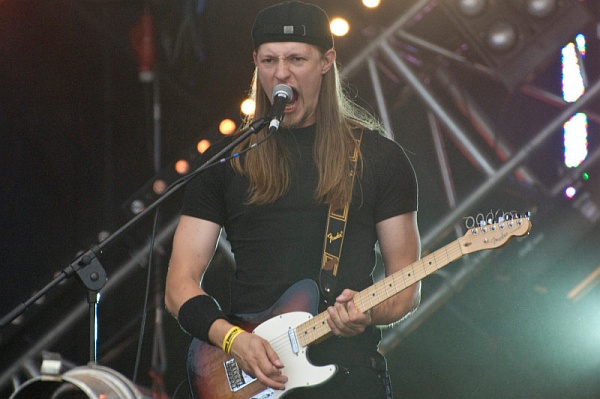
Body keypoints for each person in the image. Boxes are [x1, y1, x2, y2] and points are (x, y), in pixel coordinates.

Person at [165, 1, 421, 398]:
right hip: (253, 376)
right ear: (256, 62)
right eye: (269, 60)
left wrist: (368, 312)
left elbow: (407, 287)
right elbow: (179, 285)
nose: (281, 73)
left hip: (350, 378)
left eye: (296, 58)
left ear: (326, 61)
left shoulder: (379, 159)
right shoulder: (226, 161)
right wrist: (233, 339)